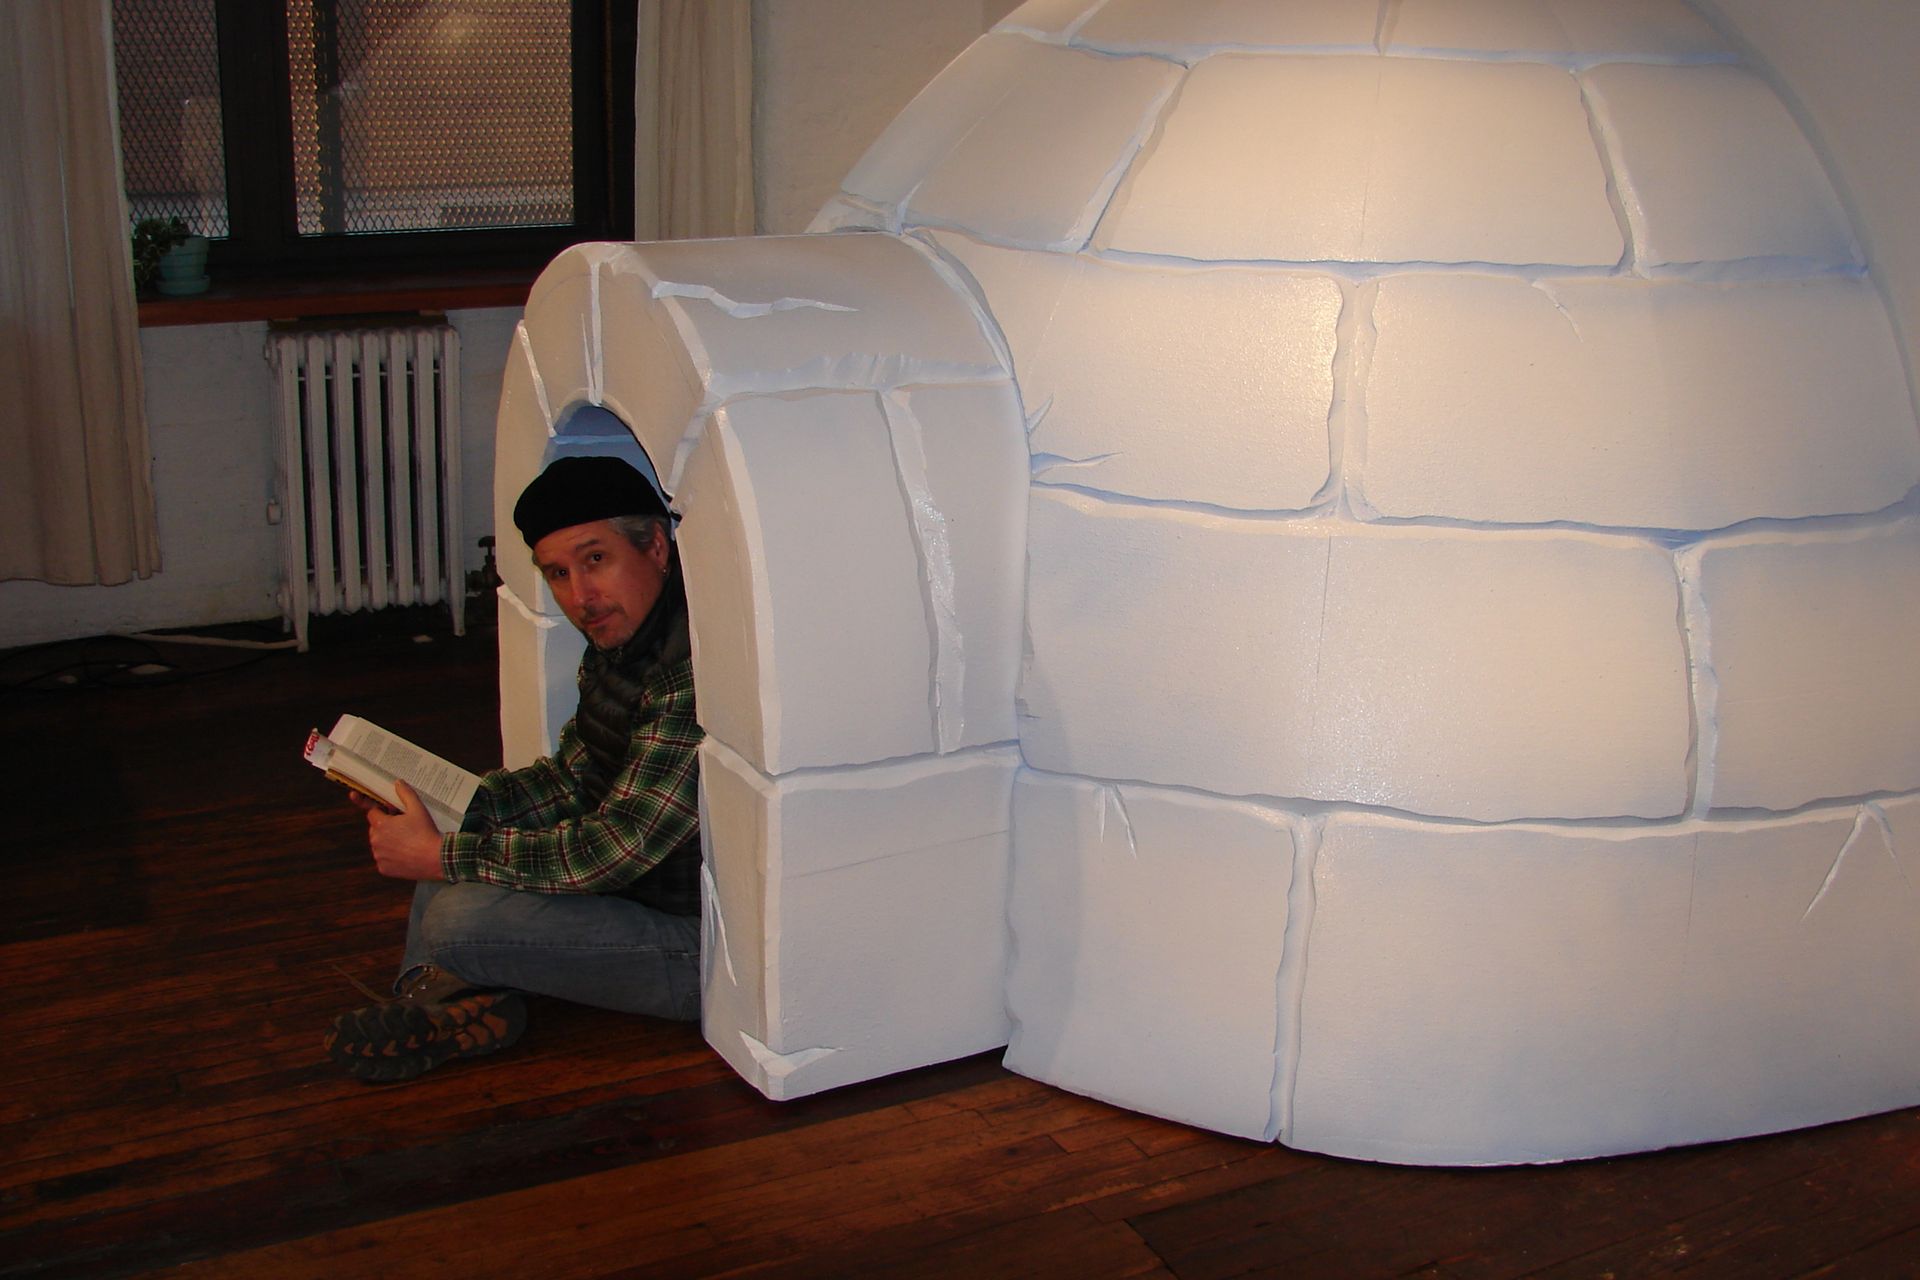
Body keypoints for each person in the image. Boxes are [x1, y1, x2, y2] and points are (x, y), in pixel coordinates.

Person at [326, 455, 703, 1082]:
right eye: (558, 573)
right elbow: (570, 781)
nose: (580, 597)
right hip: (632, 902)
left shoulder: (691, 668)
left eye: (595, 560)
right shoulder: (624, 645)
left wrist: (445, 855)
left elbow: (615, 849)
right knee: (442, 838)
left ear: (656, 548)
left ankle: (455, 1001)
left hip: (692, 953)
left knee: (454, 909)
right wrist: (447, 804)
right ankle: (446, 1008)